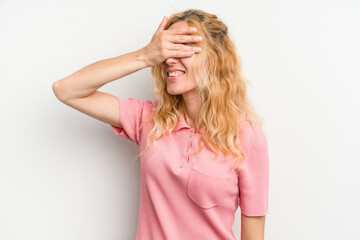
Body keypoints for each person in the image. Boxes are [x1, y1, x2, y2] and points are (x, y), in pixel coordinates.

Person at [52, 9, 269, 240]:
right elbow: (66, 90)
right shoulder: (150, 120)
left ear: (214, 58)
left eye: (182, 47)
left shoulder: (248, 138)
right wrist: (145, 56)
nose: (169, 59)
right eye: (166, 49)